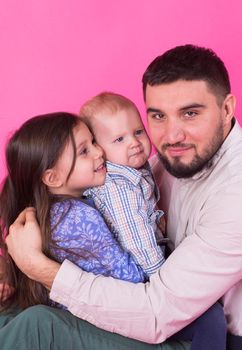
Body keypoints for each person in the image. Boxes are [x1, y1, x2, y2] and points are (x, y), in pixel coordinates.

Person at [3, 44, 242, 349]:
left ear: (226, 109)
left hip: (200, 332)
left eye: (190, 113)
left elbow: (157, 312)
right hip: (158, 310)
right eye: (157, 116)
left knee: (37, 325)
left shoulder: (236, 194)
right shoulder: (159, 164)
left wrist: (37, 266)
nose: (172, 135)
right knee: (9, 314)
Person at [0, 112, 146, 310]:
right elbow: (133, 279)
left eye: (93, 142)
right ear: (53, 178)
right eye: (84, 151)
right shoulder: (76, 217)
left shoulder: (54, 214)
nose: (99, 152)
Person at [80, 92, 166, 276]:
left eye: (138, 132)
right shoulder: (119, 187)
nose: (135, 143)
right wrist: (161, 276)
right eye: (119, 139)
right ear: (98, 149)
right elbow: (137, 239)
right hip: (143, 271)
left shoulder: (136, 169)